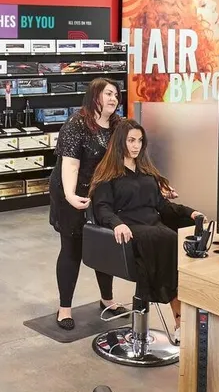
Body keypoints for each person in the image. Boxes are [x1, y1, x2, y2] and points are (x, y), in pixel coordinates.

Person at [89, 119, 202, 344]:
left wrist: (191, 213)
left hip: (154, 228)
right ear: (120, 141)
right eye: (131, 140)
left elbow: (163, 207)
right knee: (168, 240)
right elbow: (101, 207)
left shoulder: (146, 172)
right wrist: (116, 224)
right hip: (129, 232)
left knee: (180, 241)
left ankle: (181, 321)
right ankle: (180, 321)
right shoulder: (107, 174)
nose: (136, 145)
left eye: (140, 140)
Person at [50, 78, 124, 330]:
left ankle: (107, 300)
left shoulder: (118, 125)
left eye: (116, 94)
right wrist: (70, 195)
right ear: (94, 96)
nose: (113, 98)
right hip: (71, 190)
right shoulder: (76, 124)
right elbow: (70, 164)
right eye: (108, 94)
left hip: (101, 194)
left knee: (104, 247)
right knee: (72, 248)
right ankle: (64, 308)